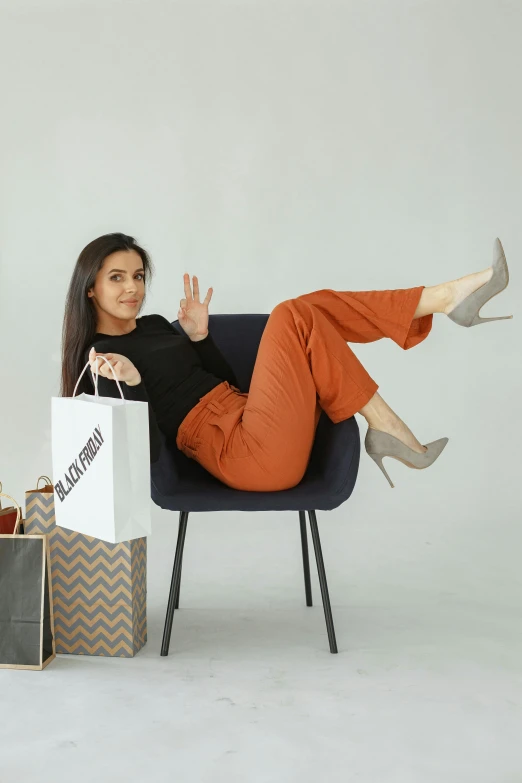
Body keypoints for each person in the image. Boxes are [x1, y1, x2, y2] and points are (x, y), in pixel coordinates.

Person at [60, 232, 513, 492]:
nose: (132, 289)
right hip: (242, 456)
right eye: (116, 278)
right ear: (90, 287)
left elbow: (224, 382)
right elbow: (146, 457)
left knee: (309, 309)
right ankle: (440, 305)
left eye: (138, 276)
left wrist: (199, 339)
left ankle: (440, 304)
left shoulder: (157, 324)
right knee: (294, 313)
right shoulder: (100, 361)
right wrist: (134, 384)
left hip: (254, 417)